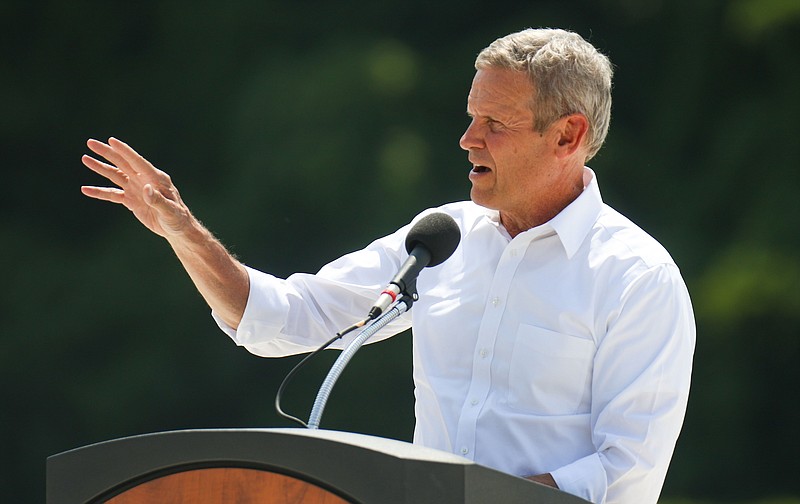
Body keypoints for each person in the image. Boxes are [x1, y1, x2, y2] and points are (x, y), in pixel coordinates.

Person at [81, 28, 695, 504]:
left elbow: (625, 479)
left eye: (494, 124)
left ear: (567, 136)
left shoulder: (636, 278)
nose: (468, 139)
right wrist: (183, 231)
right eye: (469, 117)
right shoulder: (441, 237)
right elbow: (288, 320)